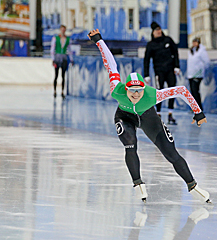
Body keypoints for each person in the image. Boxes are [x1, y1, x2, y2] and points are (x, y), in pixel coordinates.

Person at [88, 29, 210, 203]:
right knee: (130, 145)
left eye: (139, 91)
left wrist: (198, 112)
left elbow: (182, 90)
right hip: (125, 116)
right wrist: (99, 41)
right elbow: (111, 64)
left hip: (148, 117)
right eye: (132, 91)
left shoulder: (153, 94)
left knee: (171, 154)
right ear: (126, 88)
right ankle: (138, 184)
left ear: (144, 89)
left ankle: (193, 186)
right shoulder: (117, 89)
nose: (136, 94)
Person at [143, 22, 180, 125]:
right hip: (159, 72)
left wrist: (177, 66)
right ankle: (158, 114)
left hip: (170, 70)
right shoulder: (151, 45)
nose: (158, 32)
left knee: (172, 90)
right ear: (153, 32)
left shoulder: (168, 40)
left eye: (159, 30)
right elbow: (146, 60)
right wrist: (146, 74)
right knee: (160, 92)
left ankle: (170, 114)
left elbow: (175, 52)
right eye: (156, 31)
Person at [50, 24, 74, 98]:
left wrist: (71, 59)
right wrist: (53, 59)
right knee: (56, 75)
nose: (63, 31)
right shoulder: (55, 38)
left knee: (63, 75)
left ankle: (62, 91)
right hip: (57, 58)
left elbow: (69, 50)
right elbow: (52, 49)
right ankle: (54, 90)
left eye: (64, 30)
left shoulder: (68, 39)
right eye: (62, 30)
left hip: (64, 58)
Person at [187, 37, 210, 110]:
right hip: (190, 74)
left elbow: (207, 62)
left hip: (197, 74)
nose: (194, 44)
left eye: (196, 42)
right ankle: (194, 106)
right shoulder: (191, 51)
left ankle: (199, 107)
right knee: (192, 91)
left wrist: (201, 70)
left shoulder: (201, 51)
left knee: (195, 90)